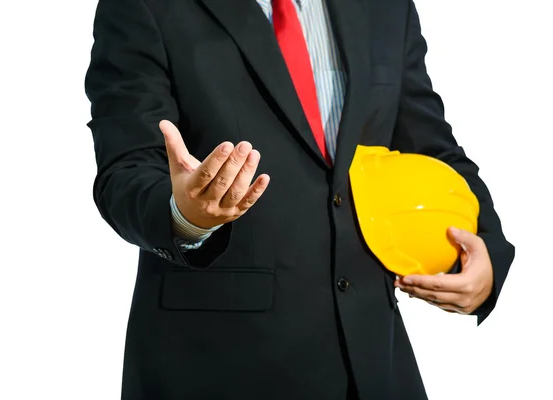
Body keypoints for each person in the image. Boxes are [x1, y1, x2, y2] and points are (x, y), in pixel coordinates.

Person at [84, 0, 515, 398]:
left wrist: (487, 252)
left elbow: (430, 148)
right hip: (217, 368)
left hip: (373, 365)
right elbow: (125, 170)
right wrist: (188, 216)